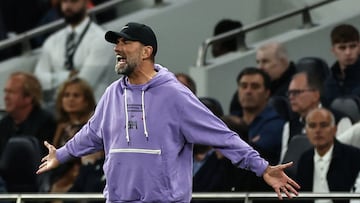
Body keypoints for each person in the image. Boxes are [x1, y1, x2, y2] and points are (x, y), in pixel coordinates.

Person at [36, 22, 300, 203]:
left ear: (147, 51)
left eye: (125, 43)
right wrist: (62, 154)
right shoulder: (112, 94)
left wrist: (262, 168)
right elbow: (92, 134)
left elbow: (222, 136)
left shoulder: (176, 95)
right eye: (117, 43)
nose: (117, 48)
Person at [34, 0, 114, 104]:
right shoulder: (52, 41)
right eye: (64, 1)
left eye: (73, 1)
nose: (67, 6)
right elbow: (37, 81)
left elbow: (83, 85)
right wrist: (66, 76)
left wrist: (51, 81)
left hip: (93, 109)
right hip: (58, 109)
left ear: (86, 2)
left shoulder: (101, 39)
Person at [280, 71, 352, 165]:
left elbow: (346, 158)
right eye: (289, 93)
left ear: (315, 95)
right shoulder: (289, 126)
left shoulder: (339, 120)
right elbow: (284, 163)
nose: (291, 97)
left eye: (296, 92)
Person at [296, 108, 360, 203]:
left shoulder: (354, 156)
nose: (318, 130)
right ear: (306, 131)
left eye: (323, 125)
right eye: (312, 126)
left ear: (334, 129)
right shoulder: (305, 159)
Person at [48, 77, 98, 196]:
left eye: (76, 96)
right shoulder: (59, 127)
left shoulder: (94, 126)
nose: (70, 99)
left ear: (87, 101)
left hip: (85, 180)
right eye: (66, 95)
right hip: (59, 178)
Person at [229, 42, 296, 116]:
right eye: (258, 62)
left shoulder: (296, 85)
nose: (260, 67)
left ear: (283, 62)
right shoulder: (251, 84)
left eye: (265, 61)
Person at [0, 71, 56, 157]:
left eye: (11, 93)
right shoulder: (4, 123)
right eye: (6, 92)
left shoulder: (46, 124)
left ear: (28, 97)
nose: (6, 97)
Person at [323, 24, 360, 107]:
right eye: (342, 48)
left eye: (353, 46)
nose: (348, 52)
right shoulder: (329, 83)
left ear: (359, 47)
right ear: (333, 50)